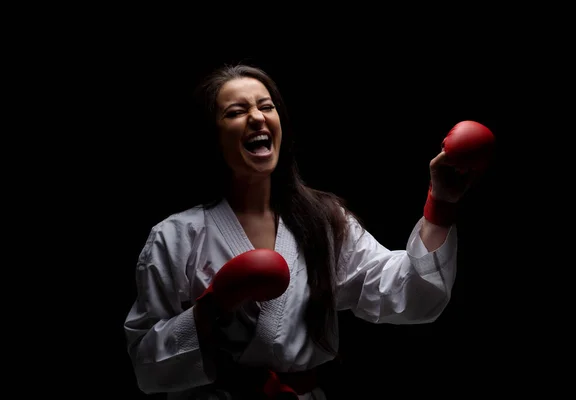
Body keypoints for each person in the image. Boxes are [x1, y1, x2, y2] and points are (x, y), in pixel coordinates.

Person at [124, 63, 494, 399]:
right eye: (236, 112)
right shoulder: (174, 236)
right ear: (212, 135)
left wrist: (440, 204)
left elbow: (411, 293)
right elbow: (144, 365)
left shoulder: (324, 220)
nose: (256, 117)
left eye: (266, 107)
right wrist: (211, 306)